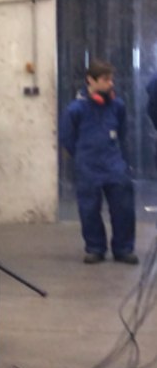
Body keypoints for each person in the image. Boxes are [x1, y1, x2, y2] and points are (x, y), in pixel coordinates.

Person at [60, 60, 138, 264]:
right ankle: (95, 248)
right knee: (89, 209)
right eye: (105, 79)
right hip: (88, 166)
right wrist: (82, 156)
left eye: (111, 79)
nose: (110, 83)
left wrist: (122, 160)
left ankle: (123, 248)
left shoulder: (117, 106)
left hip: (114, 164)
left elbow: (123, 134)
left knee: (123, 208)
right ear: (90, 80)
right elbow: (67, 138)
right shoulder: (75, 110)